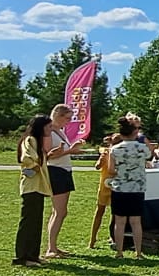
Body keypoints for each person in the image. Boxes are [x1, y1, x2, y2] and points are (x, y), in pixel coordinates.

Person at [43, 103, 85, 259]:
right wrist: (71, 150)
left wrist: (72, 149)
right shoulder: (48, 132)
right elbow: (48, 156)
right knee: (59, 211)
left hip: (64, 171)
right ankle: (51, 248)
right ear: (58, 116)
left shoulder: (59, 131)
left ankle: (53, 246)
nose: (69, 121)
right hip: (56, 171)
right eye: (67, 118)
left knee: (60, 212)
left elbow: (61, 152)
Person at [107, 116, 150, 260]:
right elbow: (149, 158)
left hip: (119, 188)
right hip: (137, 188)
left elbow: (111, 170)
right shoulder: (142, 148)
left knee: (119, 222)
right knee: (136, 222)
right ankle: (138, 252)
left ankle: (119, 252)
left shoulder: (114, 150)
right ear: (134, 133)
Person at [14, 115, 53, 266]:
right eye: (48, 127)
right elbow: (26, 158)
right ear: (40, 127)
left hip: (38, 187)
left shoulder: (37, 142)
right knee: (28, 222)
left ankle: (33, 255)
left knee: (36, 222)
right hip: (31, 187)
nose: (51, 129)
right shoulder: (30, 140)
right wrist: (35, 167)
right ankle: (23, 257)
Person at [88, 132, 118, 250]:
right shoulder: (105, 152)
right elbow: (97, 166)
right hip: (104, 186)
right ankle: (92, 239)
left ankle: (114, 238)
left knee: (115, 214)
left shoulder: (120, 153)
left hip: (116, 186)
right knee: (99, 211)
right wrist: (101, 160)